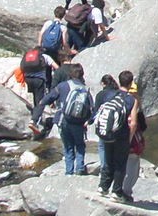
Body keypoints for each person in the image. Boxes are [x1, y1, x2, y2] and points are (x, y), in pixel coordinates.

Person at [32, 65, 92, 175]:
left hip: (64, 120)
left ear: (70, 74)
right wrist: (88, 120)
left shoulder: (63, 86)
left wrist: (41, 102)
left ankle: (69, 172)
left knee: (68, 146)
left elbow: (50, 97)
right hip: (79, 123)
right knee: (79, 146)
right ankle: (79, 169)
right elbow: (91, 108)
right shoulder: (85, 89)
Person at [92, 73, 138, 201]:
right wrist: (129, 138)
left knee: (108, 160)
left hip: (108, 132)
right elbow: (133, 123)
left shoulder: (110, 94)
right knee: (120, 163)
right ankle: (116, 192)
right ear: (130, 83)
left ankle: (103, 187)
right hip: (122, 134)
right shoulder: (132, 100)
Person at [119, 72, 146, 199]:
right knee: (132, 169)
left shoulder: (117, 98)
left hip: (116, 137)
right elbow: (138, 125)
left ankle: (116, 189)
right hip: (131, 141)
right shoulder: (134, 104)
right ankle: (126, 193)